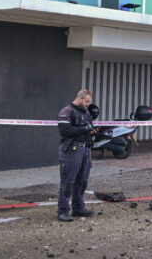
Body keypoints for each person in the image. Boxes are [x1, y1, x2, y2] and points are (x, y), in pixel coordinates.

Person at [57, 89, 96, 222]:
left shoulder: (86, 112)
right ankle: (62, 211)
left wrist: (92, 132)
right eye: (86, 101)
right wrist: (85, 129)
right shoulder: (66, 111)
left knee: (82, 181)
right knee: (68, 182)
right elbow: (64, 130)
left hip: (85, 149)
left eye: (89, 102)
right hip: (71, 150)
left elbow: (88, 128)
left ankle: (78, 208)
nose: (88, 104)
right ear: (79, 98)